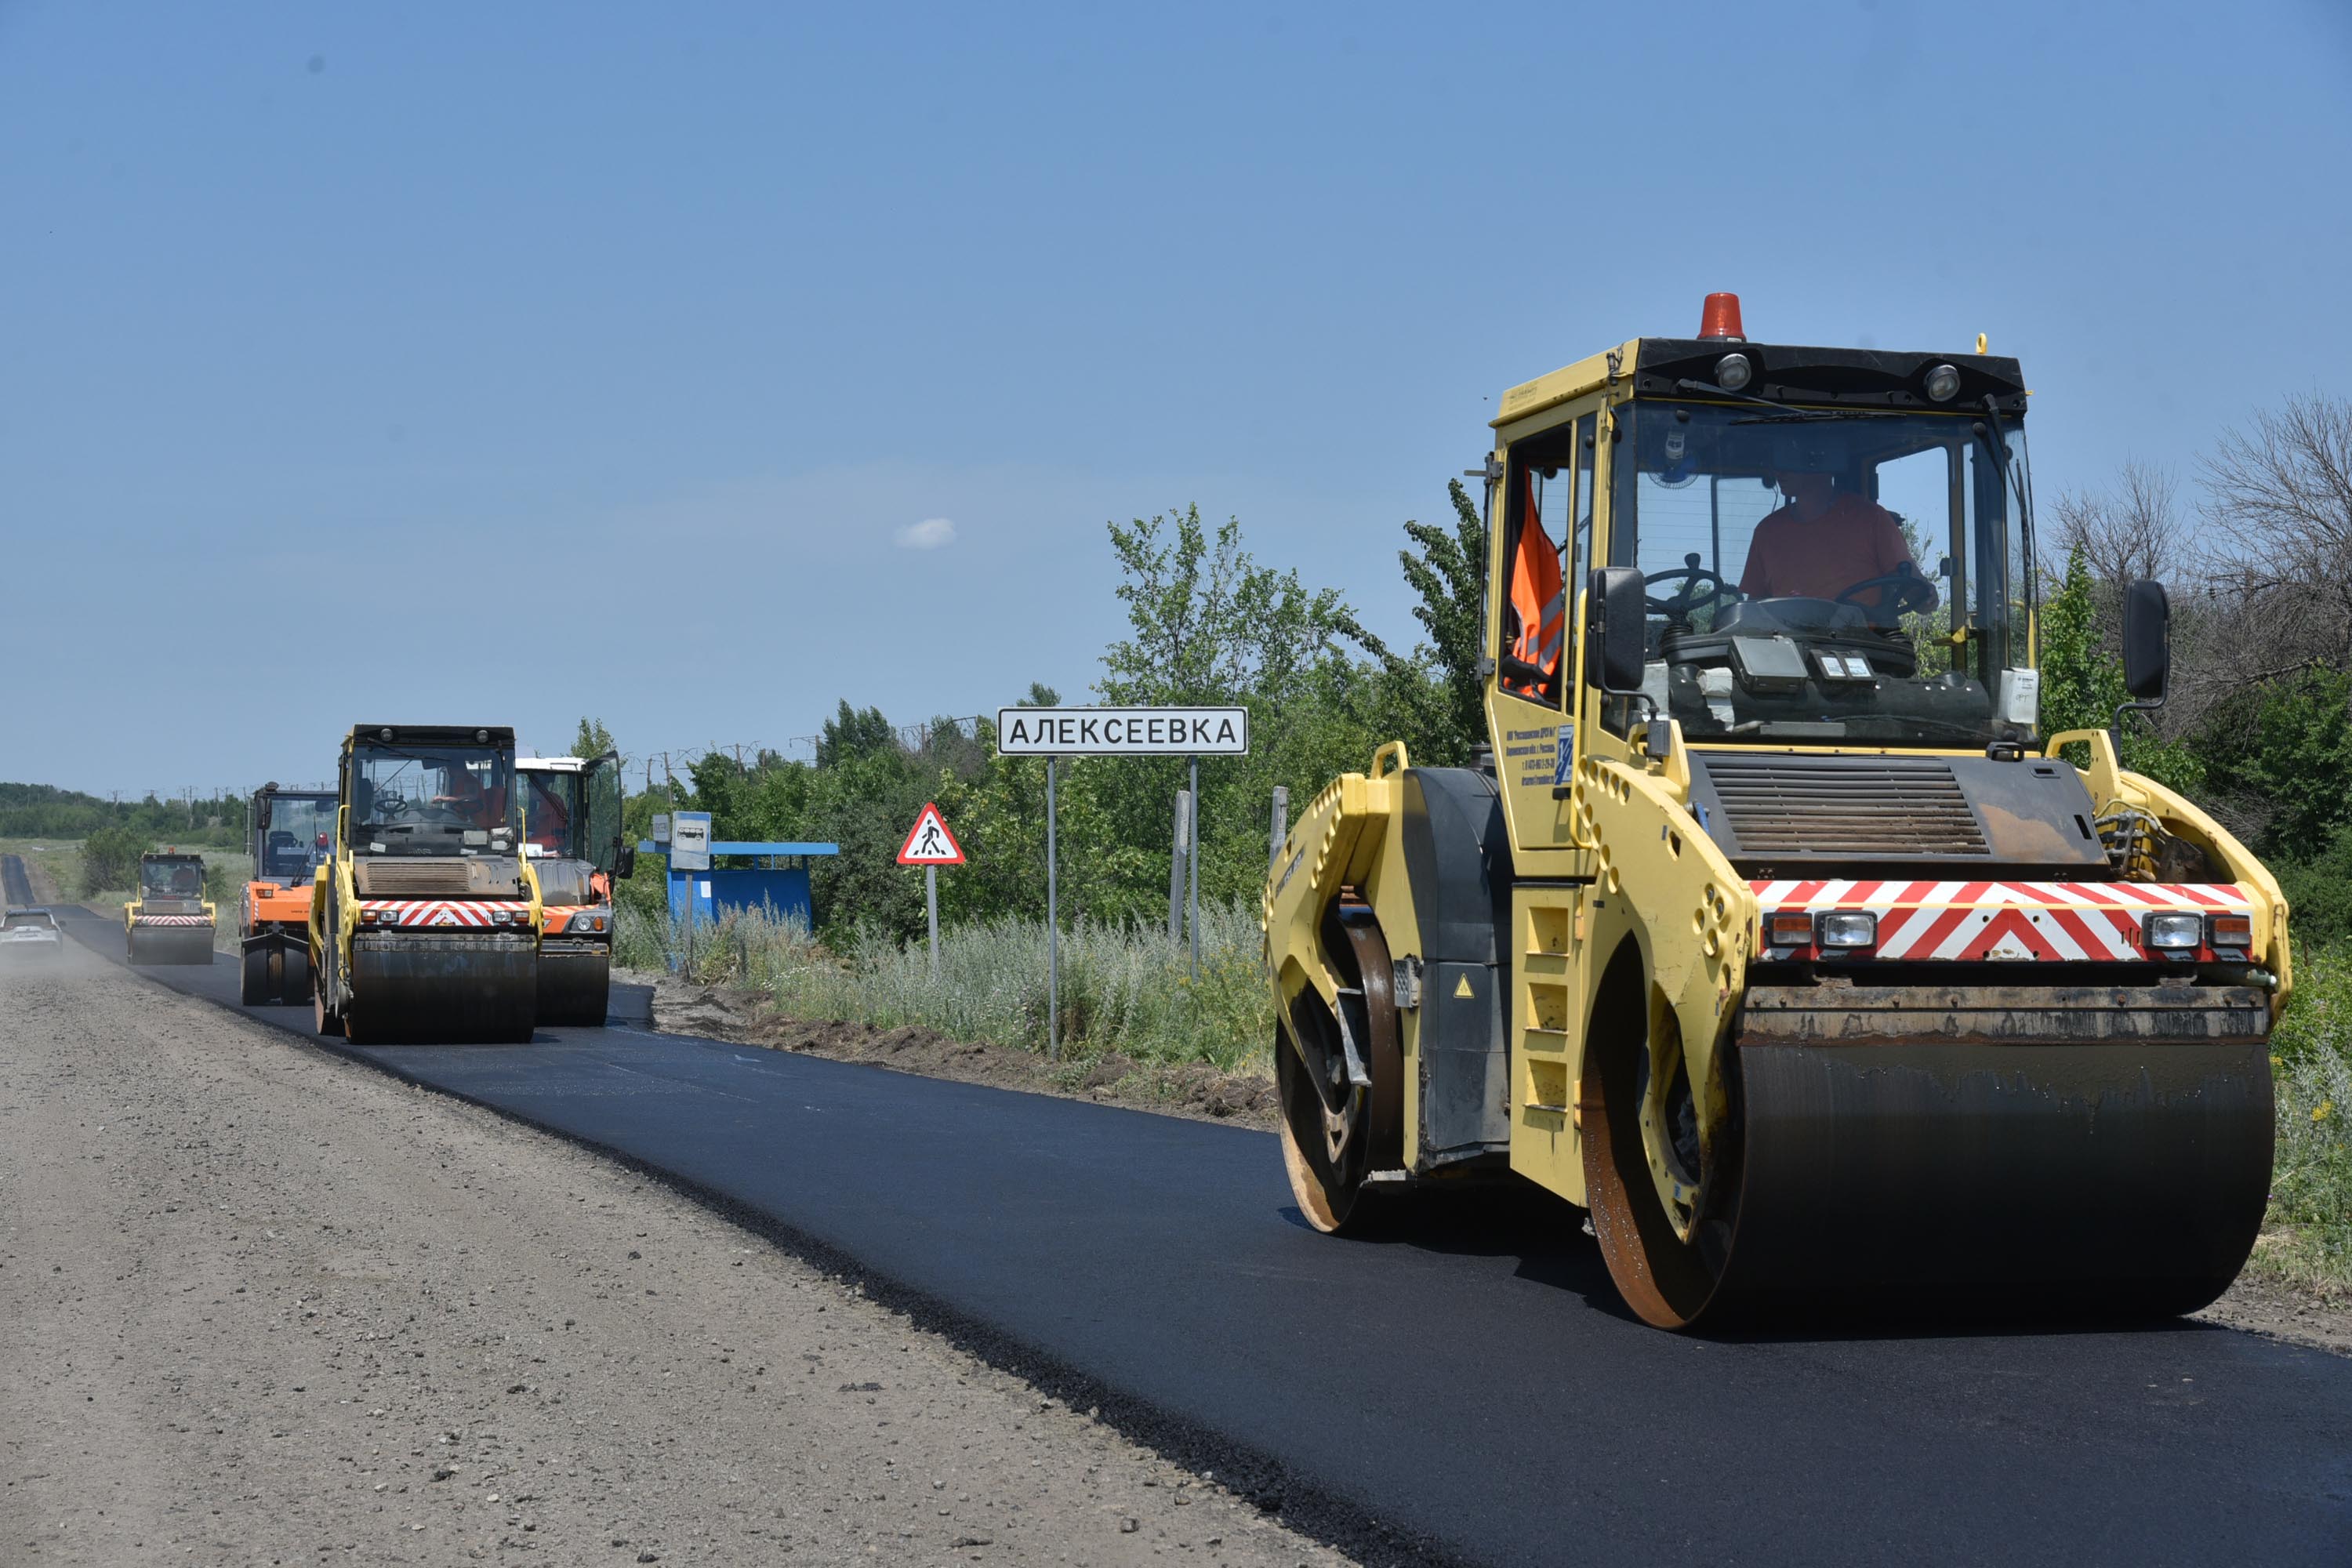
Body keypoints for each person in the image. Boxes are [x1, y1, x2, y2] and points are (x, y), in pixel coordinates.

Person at [1739, 440, 1917, 607]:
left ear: (1818, 462)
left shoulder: (1872, 519)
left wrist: (1926, 596)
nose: (1779, 472)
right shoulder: (1768, 531)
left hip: (1861, 637)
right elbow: (1754, 608)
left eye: (1789, 461)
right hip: (1787, 638)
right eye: (1777, 464)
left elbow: (1915, 590)